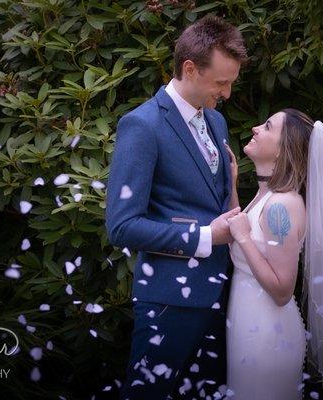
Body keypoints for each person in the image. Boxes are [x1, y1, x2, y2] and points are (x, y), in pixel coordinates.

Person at [105, 15, 248, 399]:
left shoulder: (216, 122)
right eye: (221, 82)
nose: (228, 93)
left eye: (232, 82)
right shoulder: (142, 126)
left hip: (219, 292)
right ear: (189, 68)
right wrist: (204, 236)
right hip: (169, 300)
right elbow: (121, 226)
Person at [225, 109, 323, 399]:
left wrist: (244, 237)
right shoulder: (268, 195)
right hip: (249, 326)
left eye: (267, 127)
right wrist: (232, 185)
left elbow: (283, 289)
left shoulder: (282, 205)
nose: (256, 128)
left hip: (268, 337)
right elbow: (242, 235)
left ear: (282, 151)